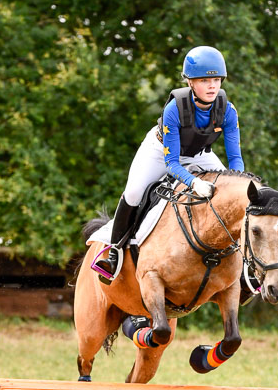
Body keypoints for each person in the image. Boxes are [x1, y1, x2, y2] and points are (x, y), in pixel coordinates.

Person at [94, 45, 245, 282]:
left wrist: (239, 185)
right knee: (133, 193)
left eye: (216, 80)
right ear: (190, 82)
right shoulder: (174, 109)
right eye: (205, 80)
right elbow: (172, 163)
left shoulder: (228, 110)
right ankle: (113, 252)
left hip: (199, 155)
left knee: (232, 195)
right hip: (159, 152)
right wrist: (194, 183)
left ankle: (244, 264)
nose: (212, 86)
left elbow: (235, 159)